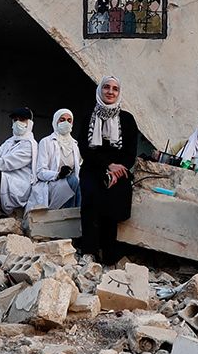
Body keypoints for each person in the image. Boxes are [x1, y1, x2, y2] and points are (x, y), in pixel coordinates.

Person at [77, 76, 139, 264]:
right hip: (93, 167)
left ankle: (109, 252)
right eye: (106, 87)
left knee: (113, 202)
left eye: (115, 89)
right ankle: (90, 250)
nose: (110, 92)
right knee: (91, 198)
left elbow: (130, 153)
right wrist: (107, 166)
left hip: (119, 171)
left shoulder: (127, 120)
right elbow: (84, 148)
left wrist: (116, 169)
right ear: (100, 91)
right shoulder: (89, 116)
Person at [29, 108, 82, 210]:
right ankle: (68, 213)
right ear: (55, 121)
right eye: (62, 120)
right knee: (73, 181)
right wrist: (58, 175)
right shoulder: (46, 142)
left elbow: (77, 171)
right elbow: (40, 172)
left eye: (69, 120)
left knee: (82, 183)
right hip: (51, 183)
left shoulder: (75, 145)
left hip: (72, 183)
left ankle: (78, 216)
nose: (66, 123)